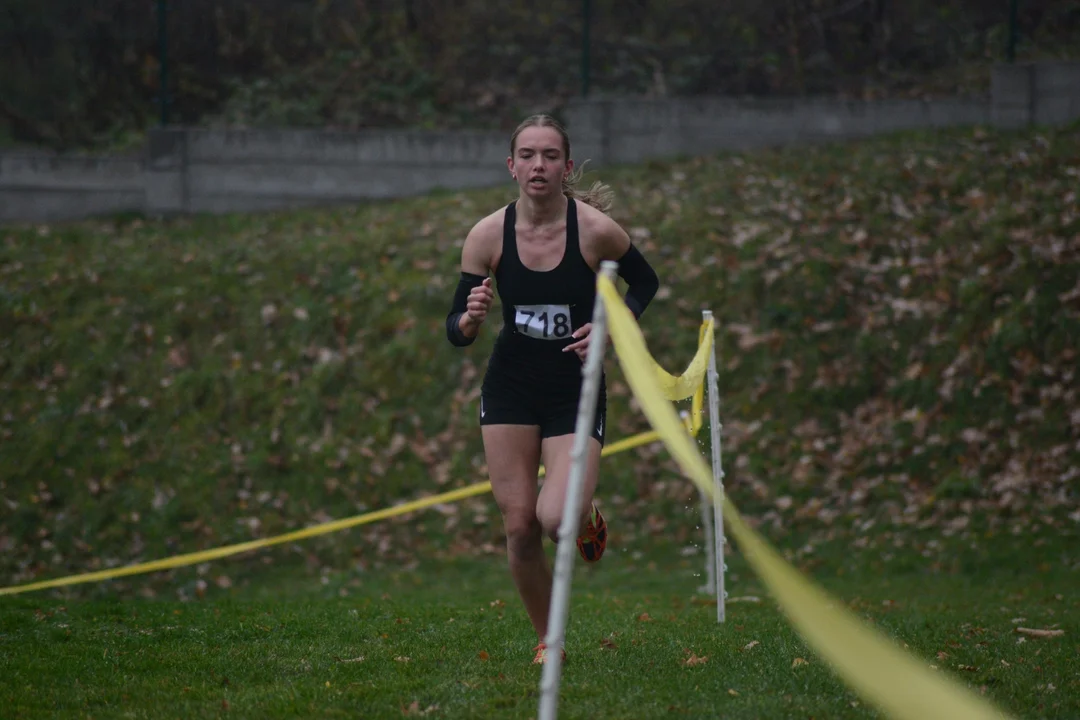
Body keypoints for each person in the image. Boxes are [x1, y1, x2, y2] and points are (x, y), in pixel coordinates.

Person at [444, 113, 660, 665]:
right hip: (512, 385)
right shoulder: (487, 234)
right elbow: (457, 331)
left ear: (566, 166)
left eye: (550, 155)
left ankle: (584, 514)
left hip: (573, 387)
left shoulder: (594, 231)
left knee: (557, 521)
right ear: (511, 165)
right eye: (528, 155)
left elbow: (646, 282)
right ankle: (550, 642)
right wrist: (469, 319)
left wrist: (611, 324)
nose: (538, 165)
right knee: (519, 527)